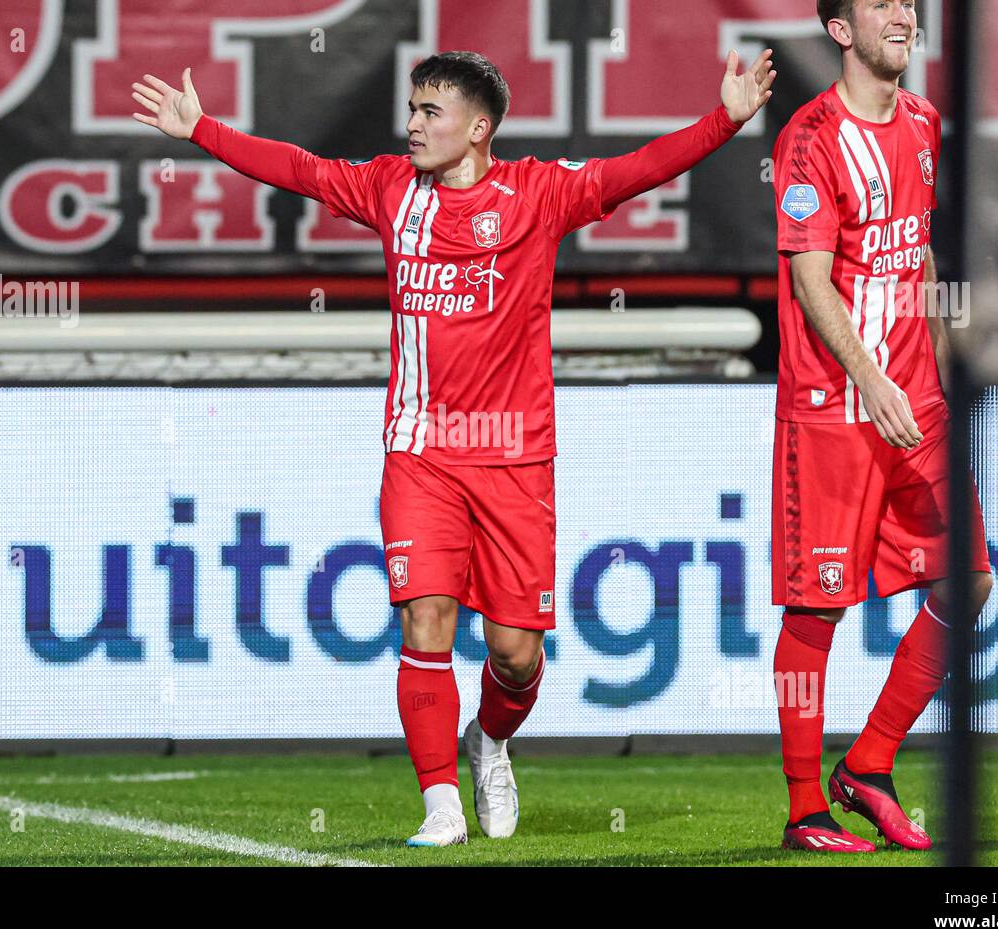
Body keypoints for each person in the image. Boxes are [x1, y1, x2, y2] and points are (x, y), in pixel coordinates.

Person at [134, 48, 775, 847]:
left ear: (479, 128)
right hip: (421, 452)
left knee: (514, 655)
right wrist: (203, 131)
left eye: (429, 112)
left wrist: (726, 120)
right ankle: (440, 805)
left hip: (514, 457)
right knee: (425, 620)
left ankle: (492, 740)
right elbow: (299, 169)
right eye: (411, 108)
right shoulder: (387, 190)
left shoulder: (540, 193)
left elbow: (636, 169)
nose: (411, 124)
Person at [770, 0, 992, 852]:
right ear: (839, 30)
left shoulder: (926, 123)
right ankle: (803, 810)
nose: (903, 14)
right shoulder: (812, 140)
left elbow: (920, 250)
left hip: (917, 404)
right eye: (880, 4)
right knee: (816, 610)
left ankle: (866, 765)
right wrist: (872, 376)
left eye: (908, 1)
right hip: (832, 412)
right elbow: (812, 280)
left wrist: (935, 354)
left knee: (968, 580)